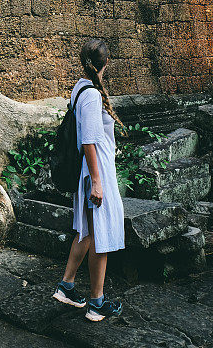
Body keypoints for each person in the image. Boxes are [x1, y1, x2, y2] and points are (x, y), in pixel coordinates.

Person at [52, 37, 127, 322]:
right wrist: (97, 181)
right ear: (105, 62)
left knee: (87, 232)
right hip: (97, 172)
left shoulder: (80, 88)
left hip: (88, 170)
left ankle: (67, 286)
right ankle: (97, 302)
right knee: (101, 235)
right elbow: (89, 141)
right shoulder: (93, 96)